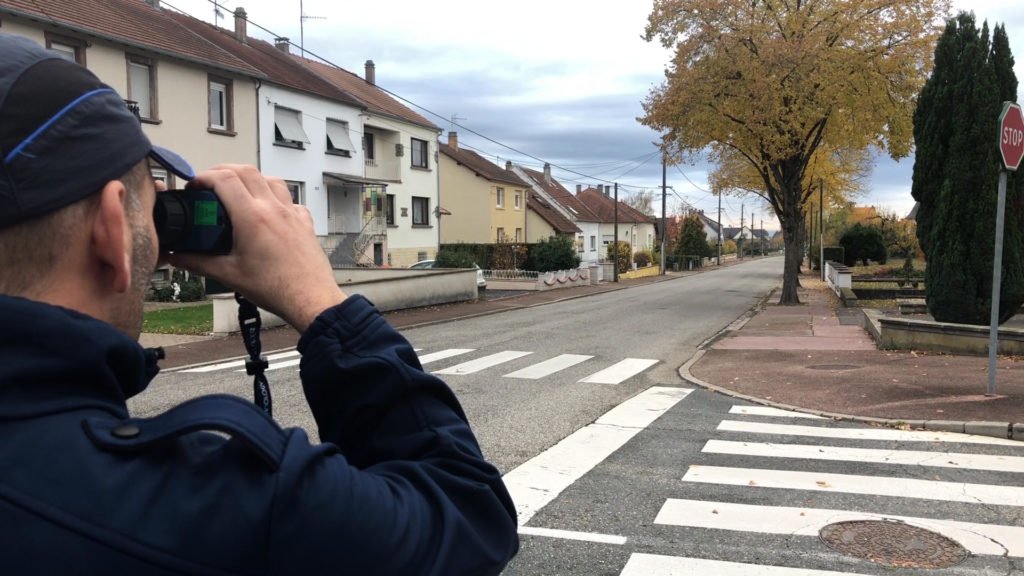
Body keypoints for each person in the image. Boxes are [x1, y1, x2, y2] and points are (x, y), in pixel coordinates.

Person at [0, 33, 518, 574]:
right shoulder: (215, 511)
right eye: (151, 209)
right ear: (110, 230)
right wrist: (322, 302)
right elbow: (468, 517)